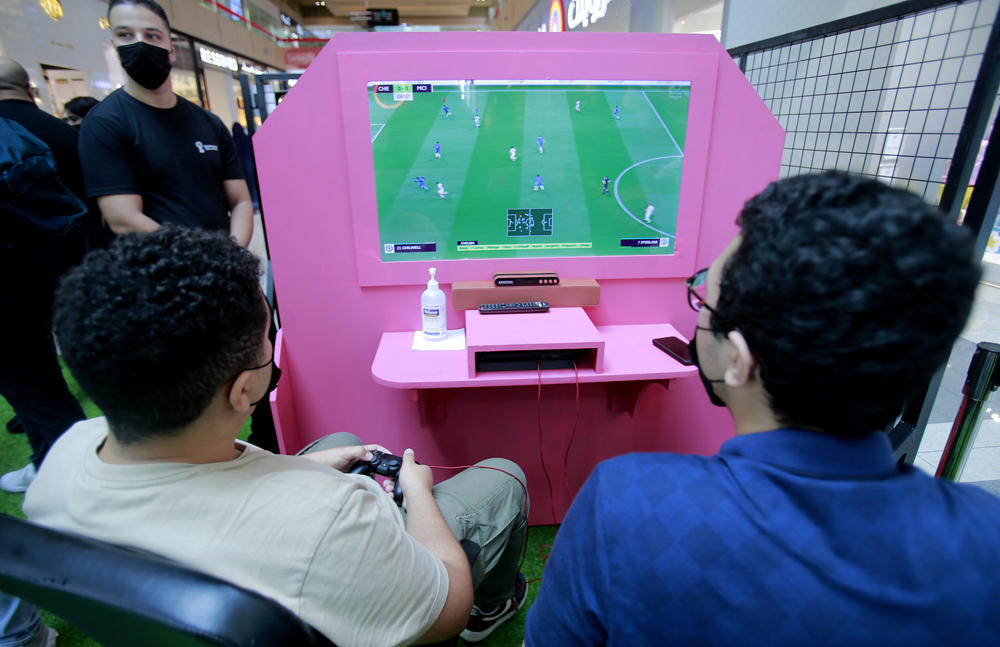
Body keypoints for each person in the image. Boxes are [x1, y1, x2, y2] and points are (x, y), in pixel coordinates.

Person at [525, 172, 1000, 645]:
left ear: (739, 359)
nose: (700, 312)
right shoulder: (986, 537)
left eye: (705, 298)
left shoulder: (624, 504)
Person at [26, 227, 530, 647]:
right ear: (243, 388)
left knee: (342, 438)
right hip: (328, 577)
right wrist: (417, 491)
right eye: (268, 336)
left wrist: (310, 467)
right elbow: (445, 608)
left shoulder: (66, 455)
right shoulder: (332, 515)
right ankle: (494, 608)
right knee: (505, 478)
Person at [78, 0, 253, 246]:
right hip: (159, 274)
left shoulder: (209, 122)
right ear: (115, 44)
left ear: (171, 49)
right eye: (126, 35)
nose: (140, 44)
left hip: (221, 269)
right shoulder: (104, 124)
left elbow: (240, 202)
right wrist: (205, 259)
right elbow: (123, 218)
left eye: (152, 35)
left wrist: (234, 258)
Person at [0, 57, 88, 493]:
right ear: (30, 87)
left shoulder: (20, 135)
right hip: (70, 274)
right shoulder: (64, 133)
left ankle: (76, 485)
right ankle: (44, 462)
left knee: (38, 389)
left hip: (13, 289)